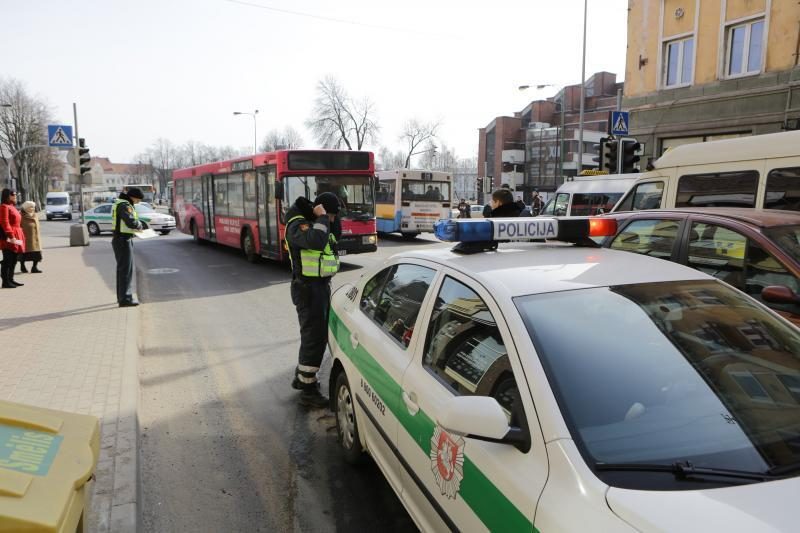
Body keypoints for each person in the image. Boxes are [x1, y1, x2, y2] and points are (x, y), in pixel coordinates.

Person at [286, 191, 342, 408]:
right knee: (314, 337)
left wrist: (329, 218)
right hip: (307, 289)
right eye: (332, 216)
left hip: (318, 286)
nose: (333, 221)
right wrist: (321, 218)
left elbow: (333, 238)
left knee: (316, 335)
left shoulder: (314, 222)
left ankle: (302, 377)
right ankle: (308, 390)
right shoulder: (297, 225)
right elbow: (317, 242)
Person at [112, 187, 144, 307]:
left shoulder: (121, 203)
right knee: (126, 271)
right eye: (138, 199)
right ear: (133, 197)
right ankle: (125, 298)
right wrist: (139, 225)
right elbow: (131, 222)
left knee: (122, 270)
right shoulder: (125, 205)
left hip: (121, 239)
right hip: (123, 240)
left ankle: (122, 297)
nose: (138, 202)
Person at [0, 189, 25, 288]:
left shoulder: (12, 206)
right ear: (7, 196)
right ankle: (5, 282)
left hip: (17, 235)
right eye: (13, 194)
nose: (15, 196)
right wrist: (11, 236)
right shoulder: (4, 207)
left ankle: (11, 279)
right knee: (8, 259)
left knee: (14, 259)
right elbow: (5, 223)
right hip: (9, 237)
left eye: (15, 194)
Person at [18, 201, 42, 274]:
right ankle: (22, 266)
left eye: (33, 207)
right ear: (26, 208)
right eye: (31, 207)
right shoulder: (21, 216)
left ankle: (34, 267)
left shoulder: (35, 215)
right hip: (25, 239)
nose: (33, 208)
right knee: (24, 254)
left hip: (35, 238)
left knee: (37, 254)